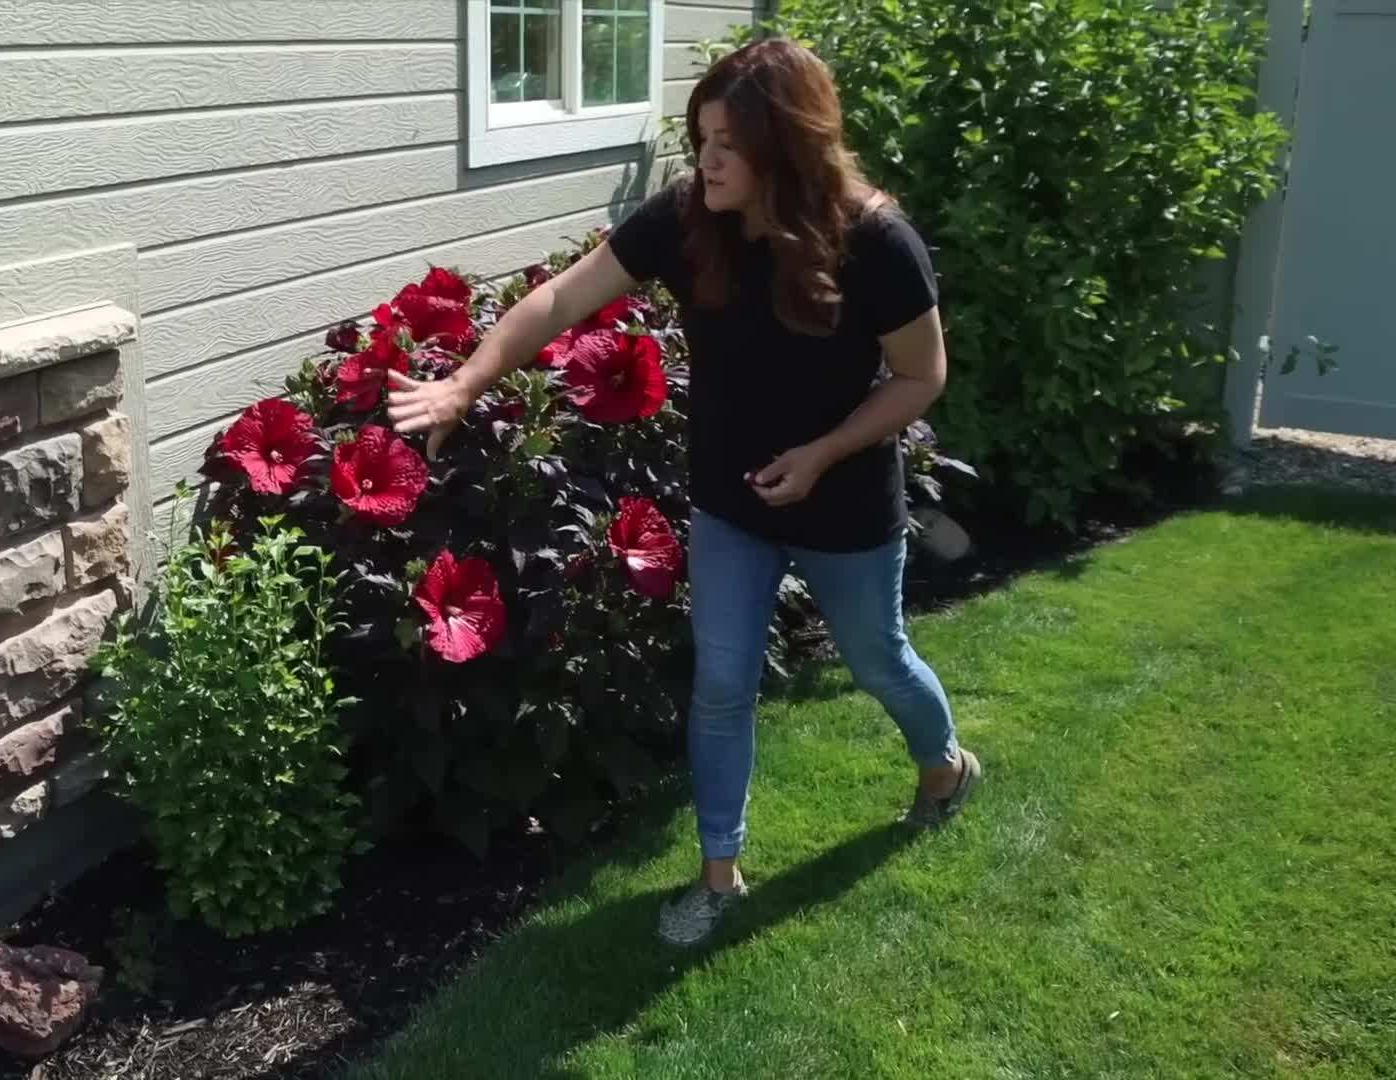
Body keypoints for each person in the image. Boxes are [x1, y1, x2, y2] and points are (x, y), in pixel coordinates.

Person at [388, 37, 979, 947]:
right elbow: (560, 301)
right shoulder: (688, 217)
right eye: (702, 139)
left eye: (729, 145)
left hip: (845, 505)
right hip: (729, 503)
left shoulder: (877, 242)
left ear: (787, 147)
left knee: (878, 662)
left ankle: (944, 766)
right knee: (722, 684)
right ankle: (719, 875)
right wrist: (464, 384)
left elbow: (921, 376)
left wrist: (822, 454)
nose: (706, 160)